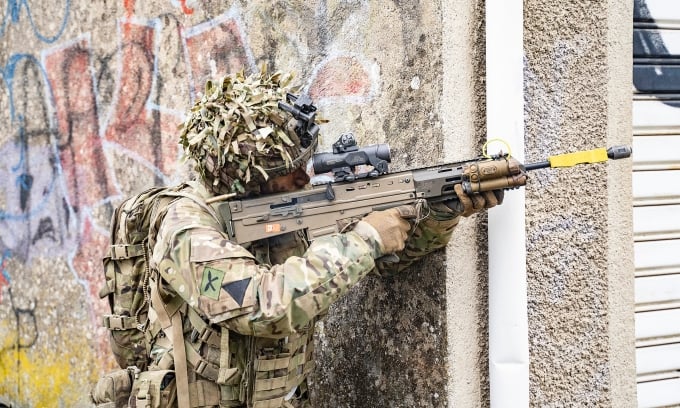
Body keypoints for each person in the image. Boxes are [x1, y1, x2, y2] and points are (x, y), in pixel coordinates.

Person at [140, 68, 502, 408]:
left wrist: (440, 212)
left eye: (305, 162)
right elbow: (263, 308)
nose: (305, 178)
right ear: (246, 180)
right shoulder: (186, 230)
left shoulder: (285, 205)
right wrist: (365, 239)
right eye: (288, 171)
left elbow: (389, 262)